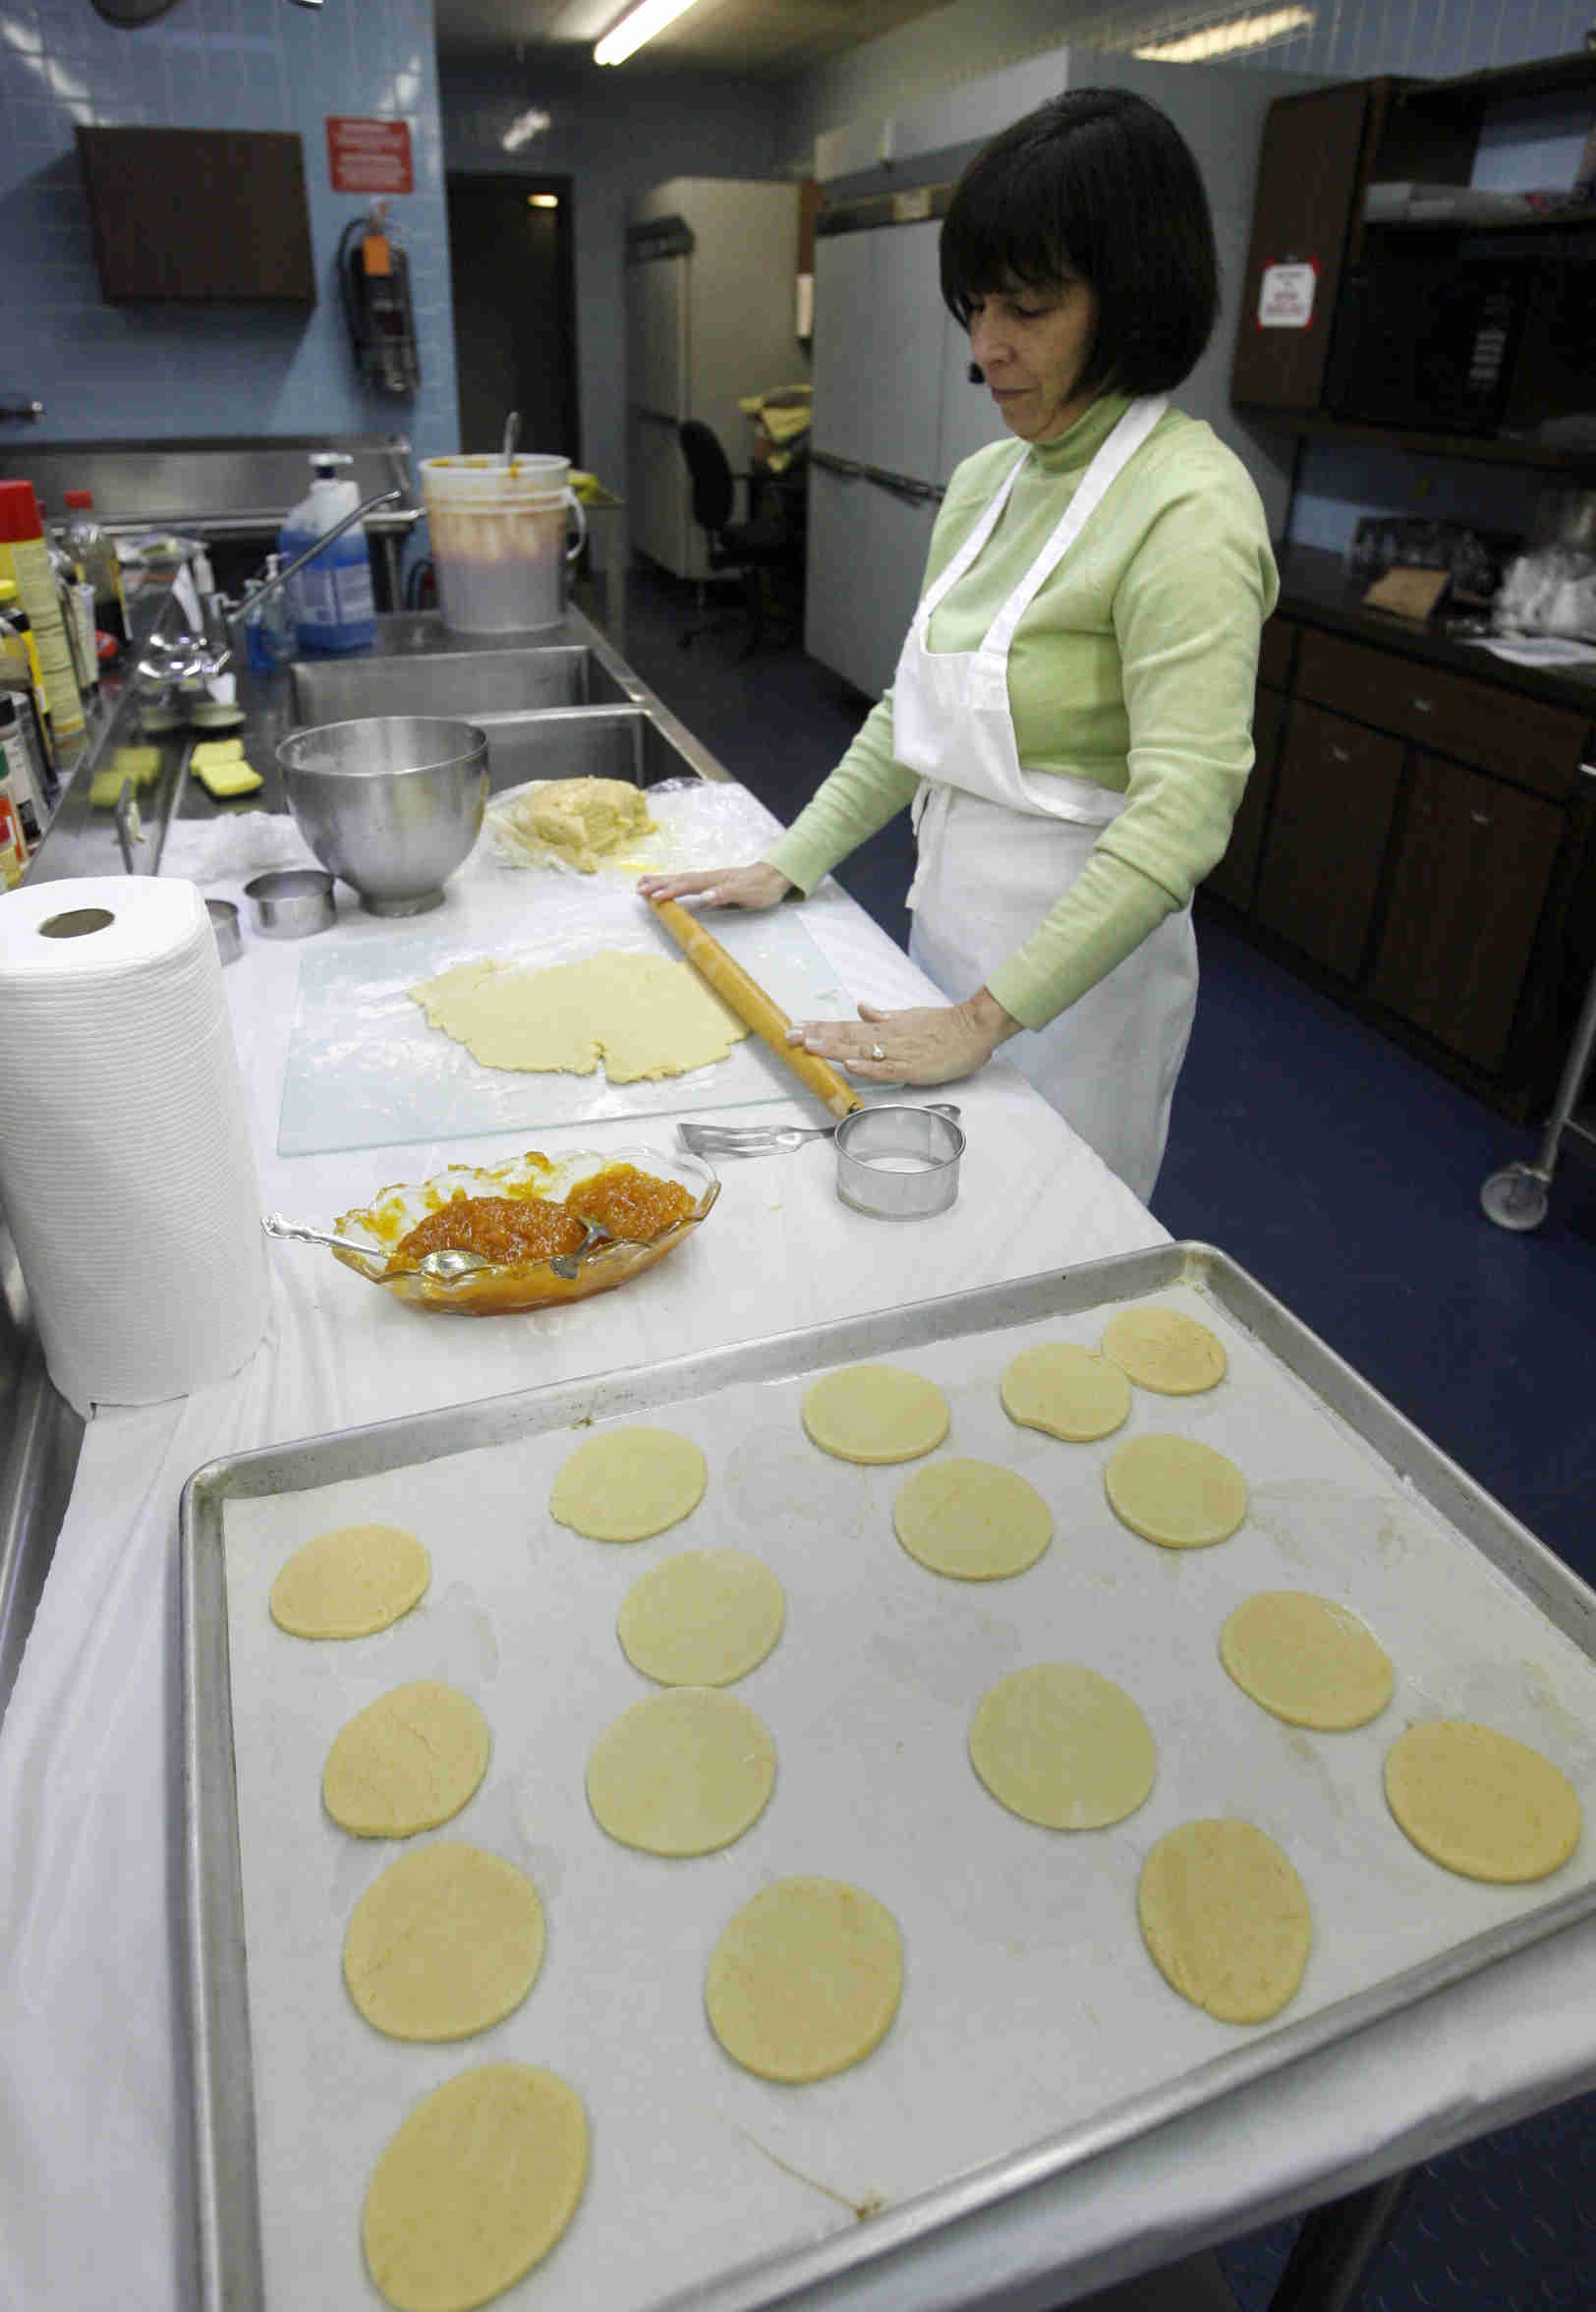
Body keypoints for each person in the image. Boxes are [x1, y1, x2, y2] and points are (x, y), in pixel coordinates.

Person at [639, 87, 1279, 1202]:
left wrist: (986, 1019)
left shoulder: (1190, 509)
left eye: (1027, 308)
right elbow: (911, 714)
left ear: (1132, 297)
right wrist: (787, 862)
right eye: (976, 306)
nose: (988, 350)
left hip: (1080, 988)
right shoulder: (989, 483)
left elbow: (1182, 812)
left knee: (1042, 1224)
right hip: (947, 932)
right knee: (942, 1204)